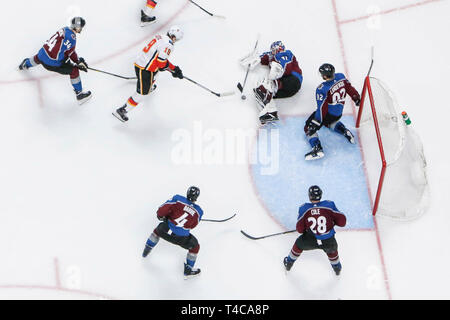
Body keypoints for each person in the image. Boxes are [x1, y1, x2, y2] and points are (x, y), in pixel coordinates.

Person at [112, 25, 184, 122]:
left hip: (141, 62)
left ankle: (149, 85)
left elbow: (159, 61)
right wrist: (173, 70)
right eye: (177, 39)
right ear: (174, 37)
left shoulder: (161, 36)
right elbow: (161, 63)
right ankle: (122, 110)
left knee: (156, 72)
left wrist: (173, 69)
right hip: (145, 69)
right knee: (142, 93)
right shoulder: (169, 45)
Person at [18, 17, 92, 105]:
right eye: (80, 27)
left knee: (39, 57)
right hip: (51, 63)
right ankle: (79, 94)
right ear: (77, 27)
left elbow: (61, 48)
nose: (81, 29)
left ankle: (25, 64)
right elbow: (70, 52)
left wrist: (76, 61)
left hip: (42, 53)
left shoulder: (64, 29)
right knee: (74, 71)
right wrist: (77, 62)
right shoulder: (72, 37)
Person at [283, 185, 346, 276]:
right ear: (321, 195)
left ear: (309, 196)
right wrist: (332, 221)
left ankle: (289, 263)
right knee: (332, 251)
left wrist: (306, 227)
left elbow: (300, 229)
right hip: (328, 240)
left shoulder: (304, 208)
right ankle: (337, 268)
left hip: (310, 239)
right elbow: (342, 222)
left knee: (298, 244)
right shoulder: (329, 205)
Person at [142, 186, 203, 279]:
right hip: (182, 238)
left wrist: (162, 216)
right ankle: (189, 270)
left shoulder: (178, 199)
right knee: (195, 247)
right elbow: (192, 226)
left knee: (157, 230)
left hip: (165, 231)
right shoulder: (199, 211)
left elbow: (161, 210)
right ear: (196, 197)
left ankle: (147, 249)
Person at [304, 63, 361, 160]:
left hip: (328, 114)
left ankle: (317, 148)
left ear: (325, 76)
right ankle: (344, 130)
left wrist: (316, 122)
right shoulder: (341, 77)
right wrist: (356, 98)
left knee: (308, 127)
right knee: (329, 122)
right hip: (338, 114)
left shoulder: (322, 88)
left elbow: (322, 108)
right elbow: (350, 89)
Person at [243, 41, 303, 124]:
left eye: (274, 50)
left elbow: (286, 68)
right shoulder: (273, 57)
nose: (273, 52)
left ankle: (270, 110)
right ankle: (270, 113)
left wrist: (275, 69)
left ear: (279, 48)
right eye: (272, 50)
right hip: (287, 89)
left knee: (267, 83)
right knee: (262, 90)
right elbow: (265, 57)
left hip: (293, 80)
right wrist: (256, 58)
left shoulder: (286, 53)